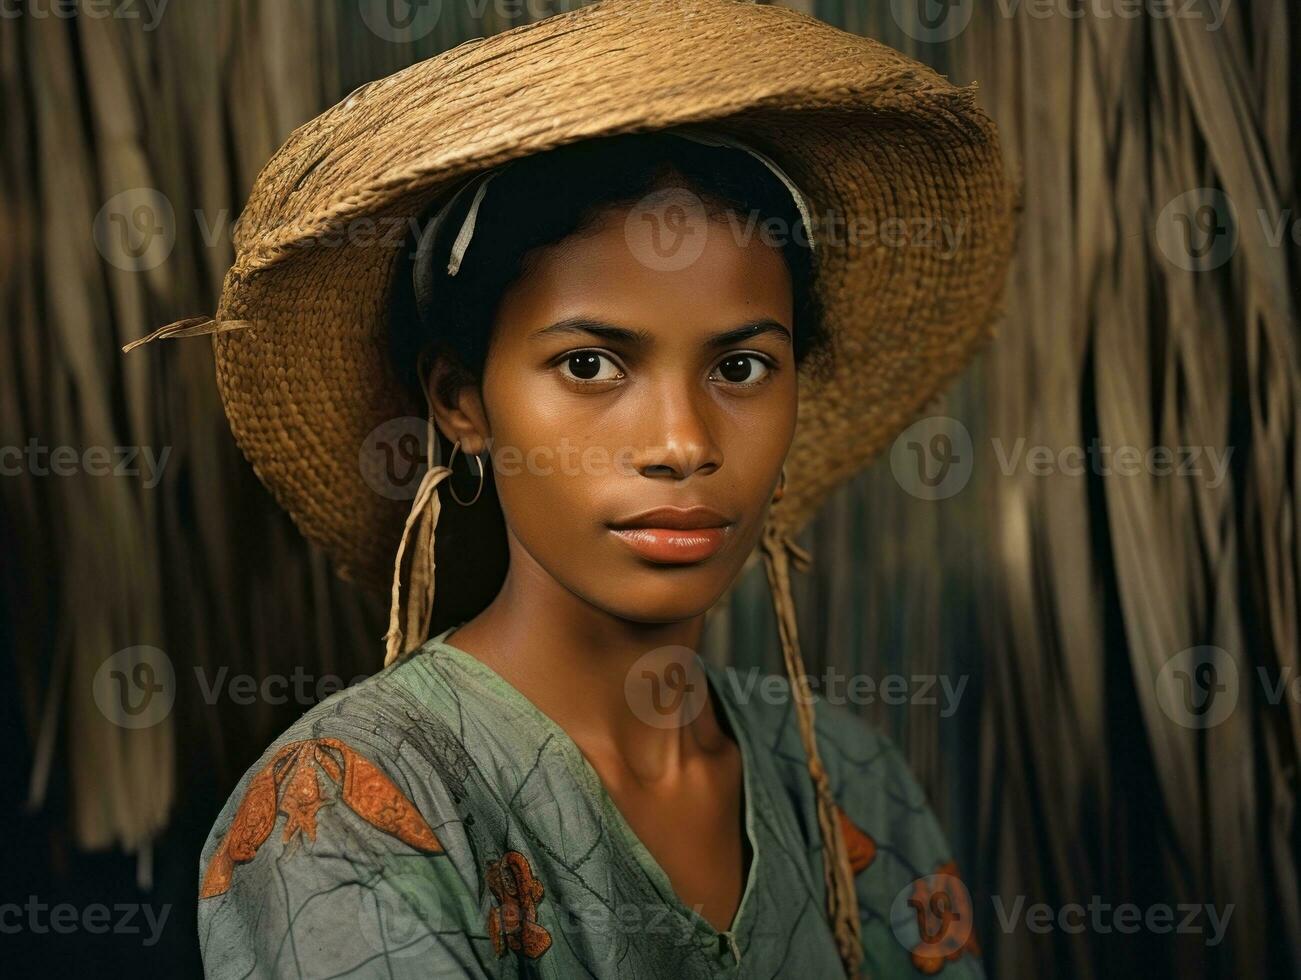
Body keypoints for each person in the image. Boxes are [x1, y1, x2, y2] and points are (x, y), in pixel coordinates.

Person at [127, 2, 1014, 976]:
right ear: (461, 400)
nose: (681, 443)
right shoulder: (344, 810)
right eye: (589, 364)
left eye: (743, 367)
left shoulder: (846, 778)